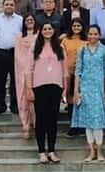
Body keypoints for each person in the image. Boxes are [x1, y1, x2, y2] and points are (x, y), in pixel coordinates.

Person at [26, 22, 68, 164]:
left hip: (56, 87)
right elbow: (29, 70)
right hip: (39, 87)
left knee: (52, 121)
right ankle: (41, 151)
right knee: (41, 120)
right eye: (45, 29)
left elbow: (65, 71)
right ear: (41, 31)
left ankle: (51, 150)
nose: (47, 31)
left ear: (54, 31)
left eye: (50, 29)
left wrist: (65, 88)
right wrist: (29, 89)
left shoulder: (60, 48)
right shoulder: (34, 48)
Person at [72, 24, 105, 162]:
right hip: (85, 89)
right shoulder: (82, 50)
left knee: (98, 122)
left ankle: (100, 151)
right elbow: (78, 71)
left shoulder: (104, 50)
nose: (93, 36)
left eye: (95, 34)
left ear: (99, 35)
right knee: (87, 121)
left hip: (98, 89)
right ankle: (91, 151)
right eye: (90, 33)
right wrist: (76, 90)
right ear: (87, 35)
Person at [0, 0, 23, 115]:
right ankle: (1, 105)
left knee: (15, 81)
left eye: (11, 4)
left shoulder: (20, 19)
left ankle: (14, 105)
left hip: (15, 53)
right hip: (0, 53)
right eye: (7, 4)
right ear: (3, 6)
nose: (9, 6)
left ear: (15, 6)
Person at [60, 18, 87, 138]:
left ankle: (82, 125)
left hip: (83, 74)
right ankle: (73, 125)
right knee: (71, 100)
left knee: (81, 99)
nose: (76, 28)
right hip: (69, 73)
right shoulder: (65, 40)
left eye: (78, 26)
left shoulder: (86, 41)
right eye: (74, 26)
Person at [14, 14, 38, 138]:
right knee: (24, 97)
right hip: (23, 71)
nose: (29, 22)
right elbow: (18, 55)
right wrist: (25, 69)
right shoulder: (19, 36)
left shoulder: (39, 35)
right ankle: (26, 125)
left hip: (37, 71)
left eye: (32, 20)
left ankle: (36, 123)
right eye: (27, 20)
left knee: (36, 98)